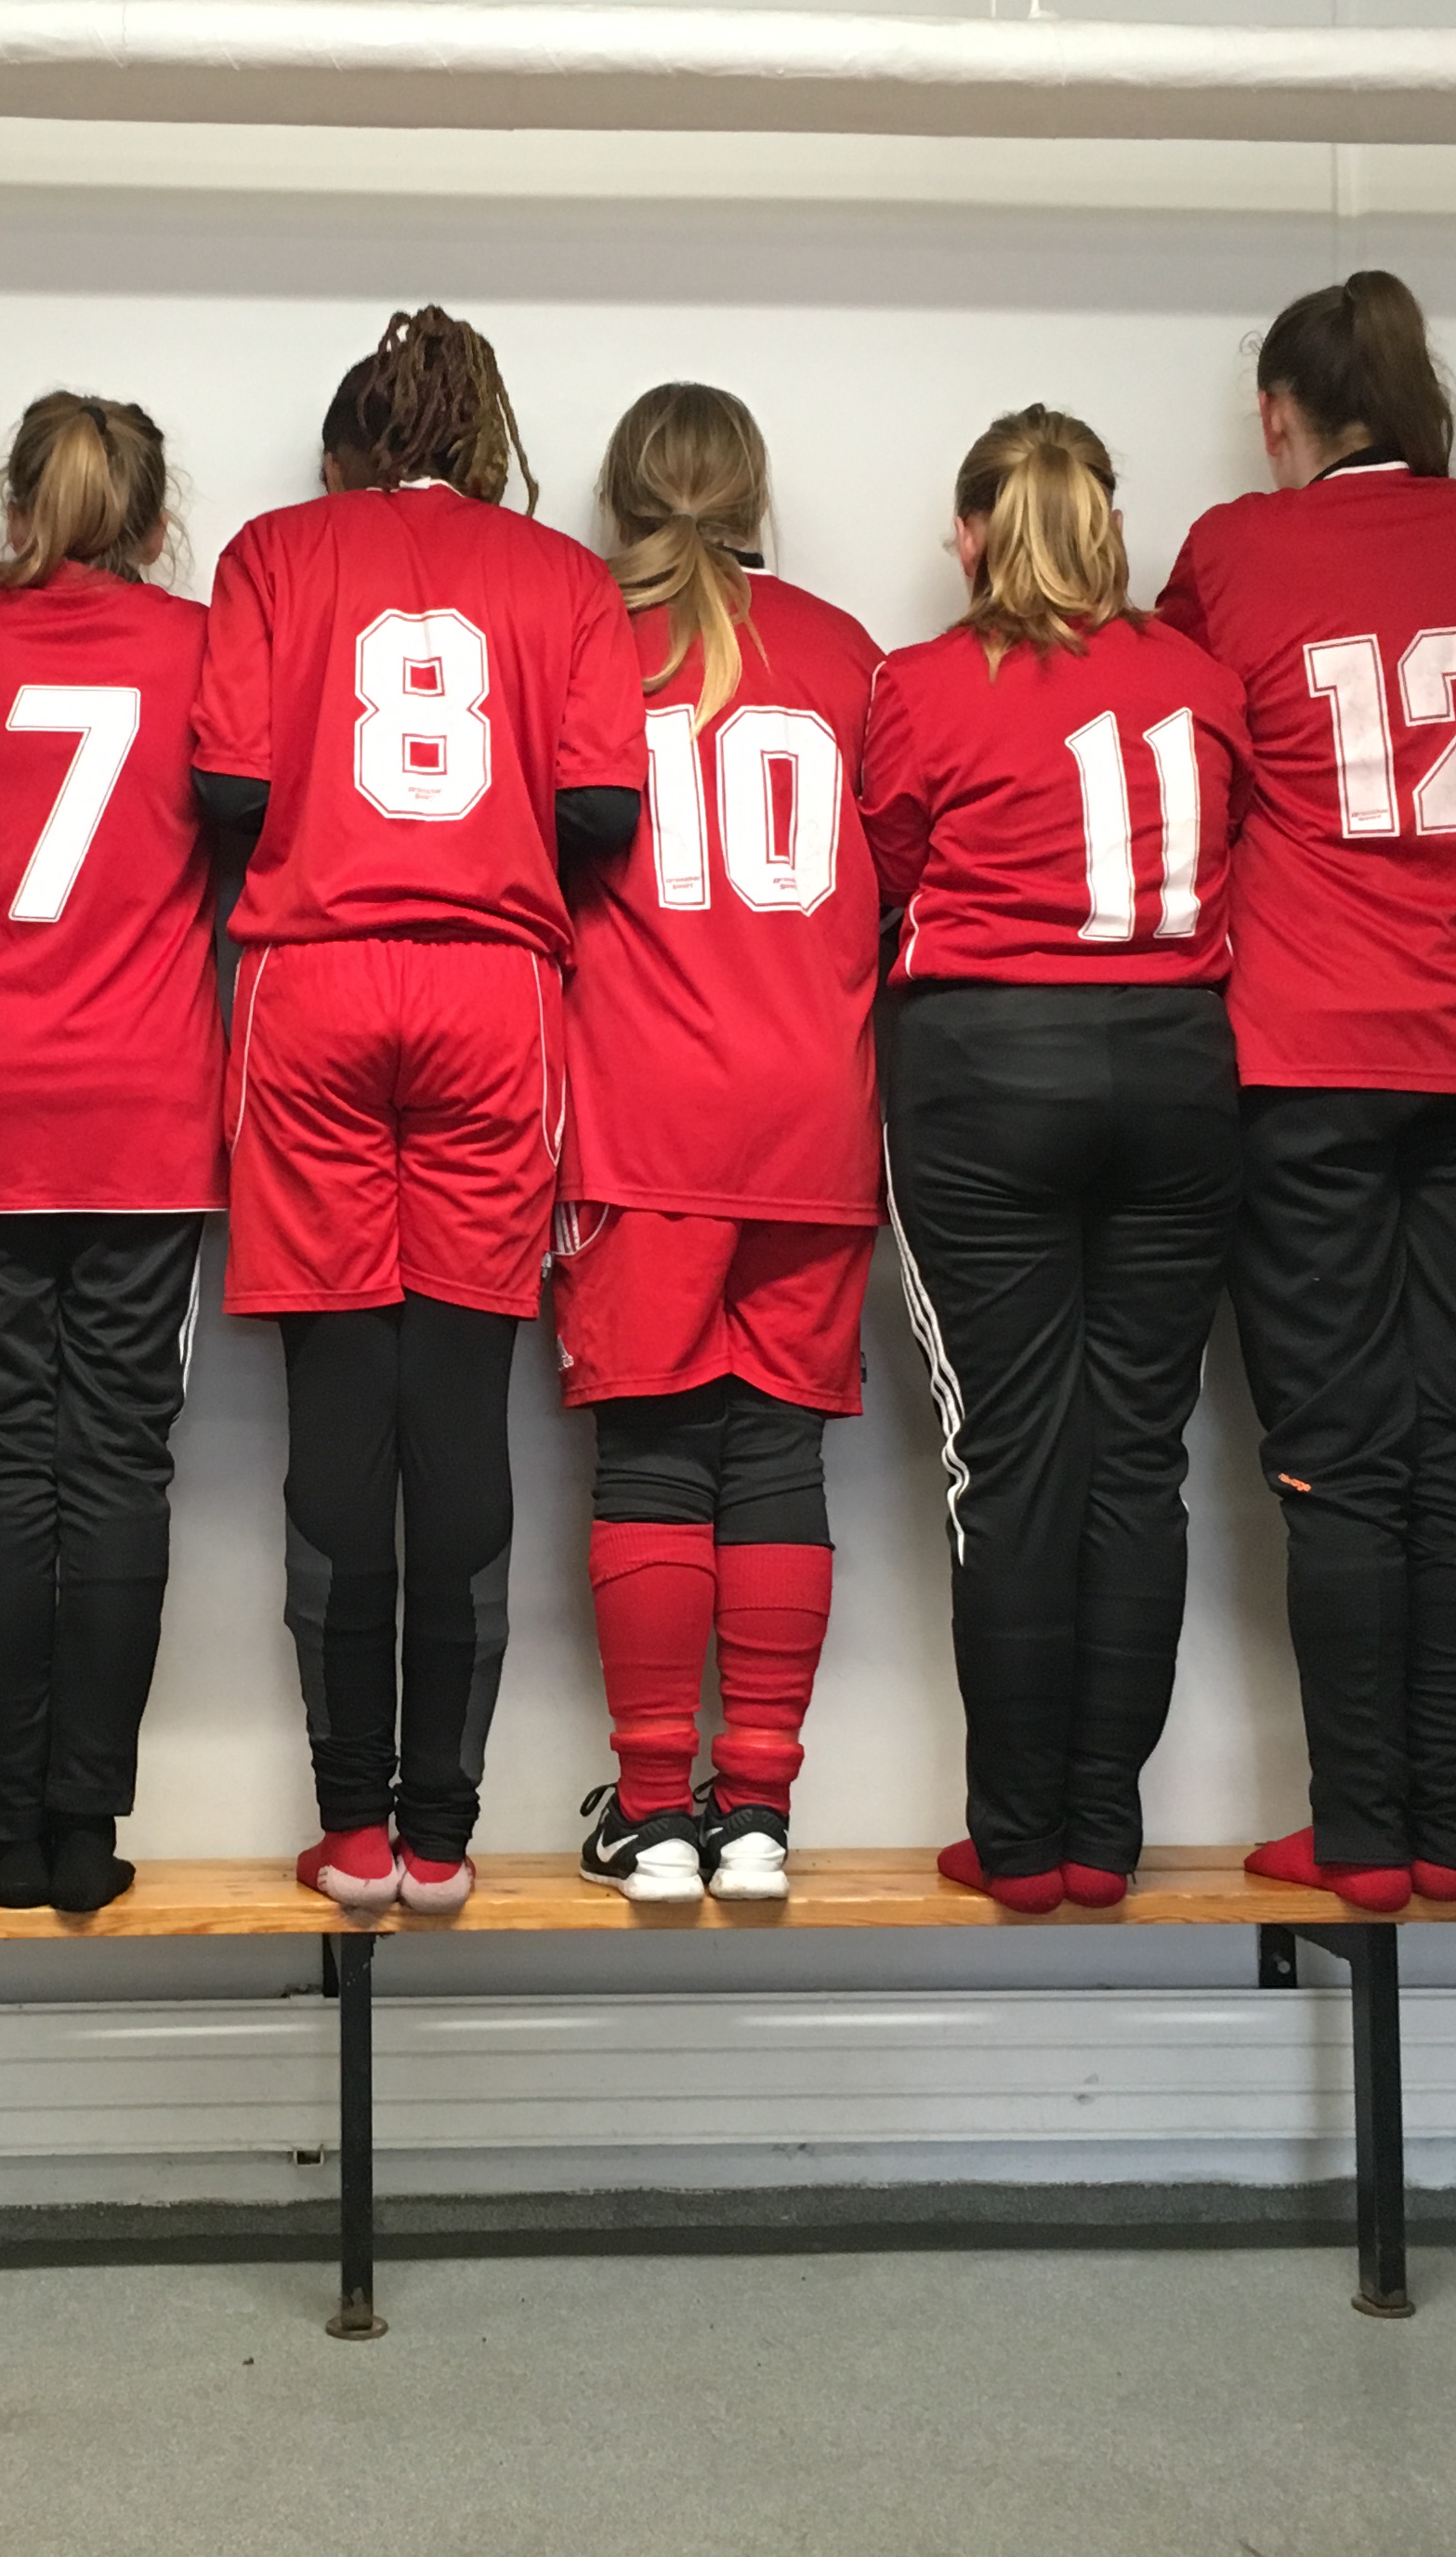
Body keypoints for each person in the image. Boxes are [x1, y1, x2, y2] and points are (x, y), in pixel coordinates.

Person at [190, 307, 639, 1916]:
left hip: (312, 987)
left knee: (337, 1416)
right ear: (482, 443)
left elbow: (229, 794)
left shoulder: (271, 552)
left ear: (345, 454)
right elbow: (604, 808)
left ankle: (355, 1832)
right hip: (492, 995)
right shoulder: (563, 577)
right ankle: (443, 1836)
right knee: (460, 1407)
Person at [1154, 271, 1456, 1917]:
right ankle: (1441, 1827)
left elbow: (1171, 730)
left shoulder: (1236, 548)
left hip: (1306, 1049)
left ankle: (1360, 1828)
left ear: (1279, 415)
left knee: (1331, 1450)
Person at [864, 407, 1253, 1915]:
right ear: (1109, 527)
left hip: (987, 1073)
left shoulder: (922, 685)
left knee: (1009, 1458)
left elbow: (891, 868)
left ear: (972, 538)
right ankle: (1103, 1830)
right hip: (1178, 1066)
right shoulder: (1202, 679)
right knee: (1139, 1456)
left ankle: (1019, 1837)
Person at [555, 385, 880, 1907]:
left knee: (652, 1452)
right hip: (817, 1113)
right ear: (754, 498)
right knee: (776, 1457)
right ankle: (755, 1811)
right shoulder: (846, 653)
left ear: (619, 498)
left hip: (647, 1116)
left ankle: (652, 1815)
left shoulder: (587, 645)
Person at [0, 396, 217, 1916]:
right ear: (156, 523)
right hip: (148, 1119)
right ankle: (88, 1823)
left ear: (16, 505)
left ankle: (10, 1833)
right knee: (119, 1466)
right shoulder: (205, 648)